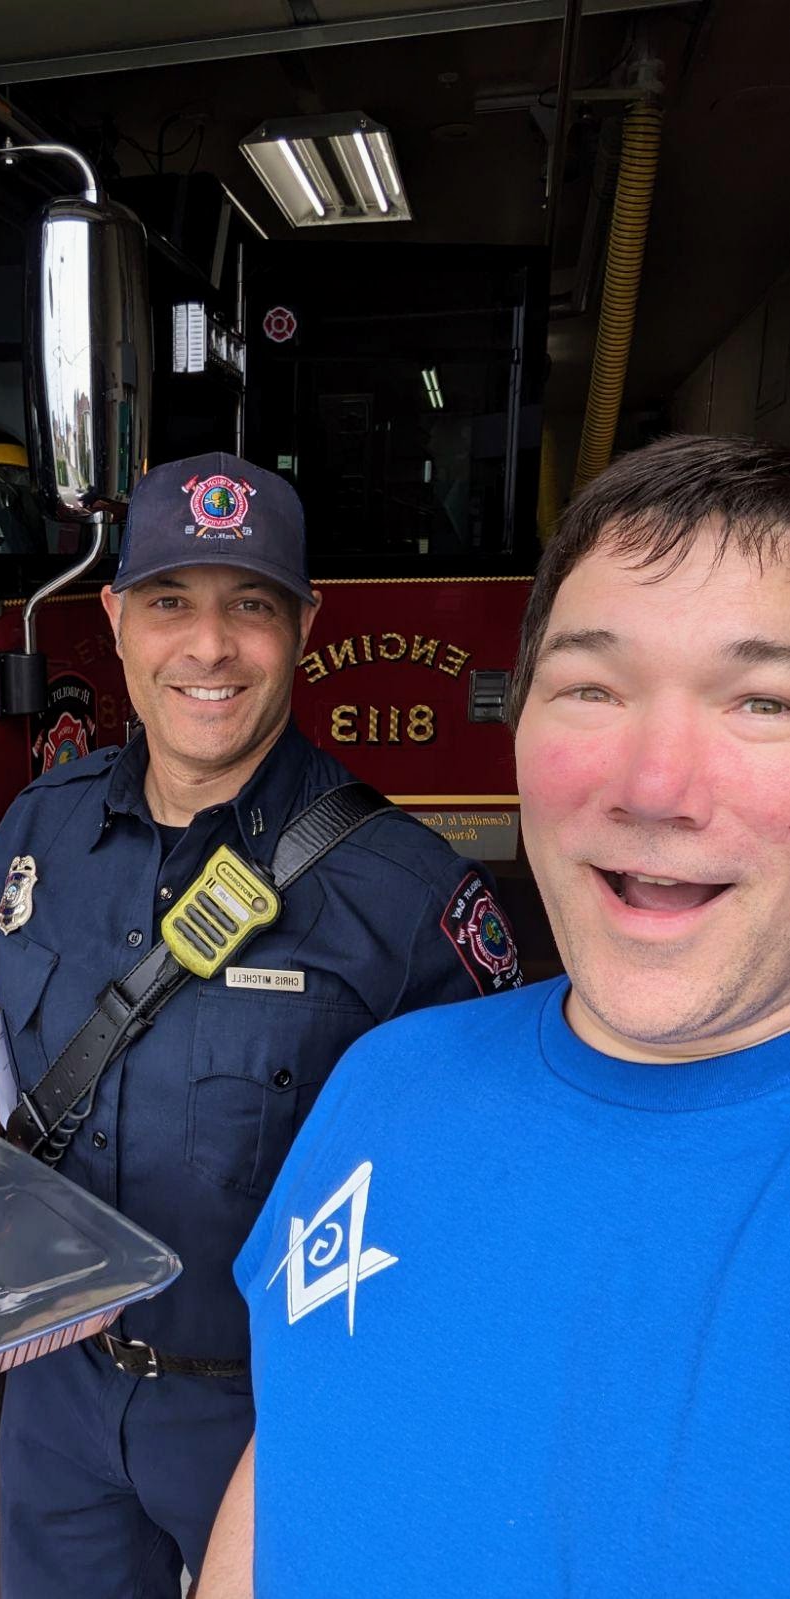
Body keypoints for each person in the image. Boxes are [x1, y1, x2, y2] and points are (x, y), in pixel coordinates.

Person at [0, 450, 519, 1599]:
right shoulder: (35, 836)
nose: (209, 647)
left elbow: (478, 1209)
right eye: (172, 603)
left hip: (278, 1410)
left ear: (306, 626)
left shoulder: (404, 895)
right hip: (58, 1394)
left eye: (251, 607)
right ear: (118, 620)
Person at [200, 432, 790, 1599]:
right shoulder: (384, 1079)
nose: (653, 785)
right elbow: (292, 1446)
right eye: (591, 686)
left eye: (762, 700)